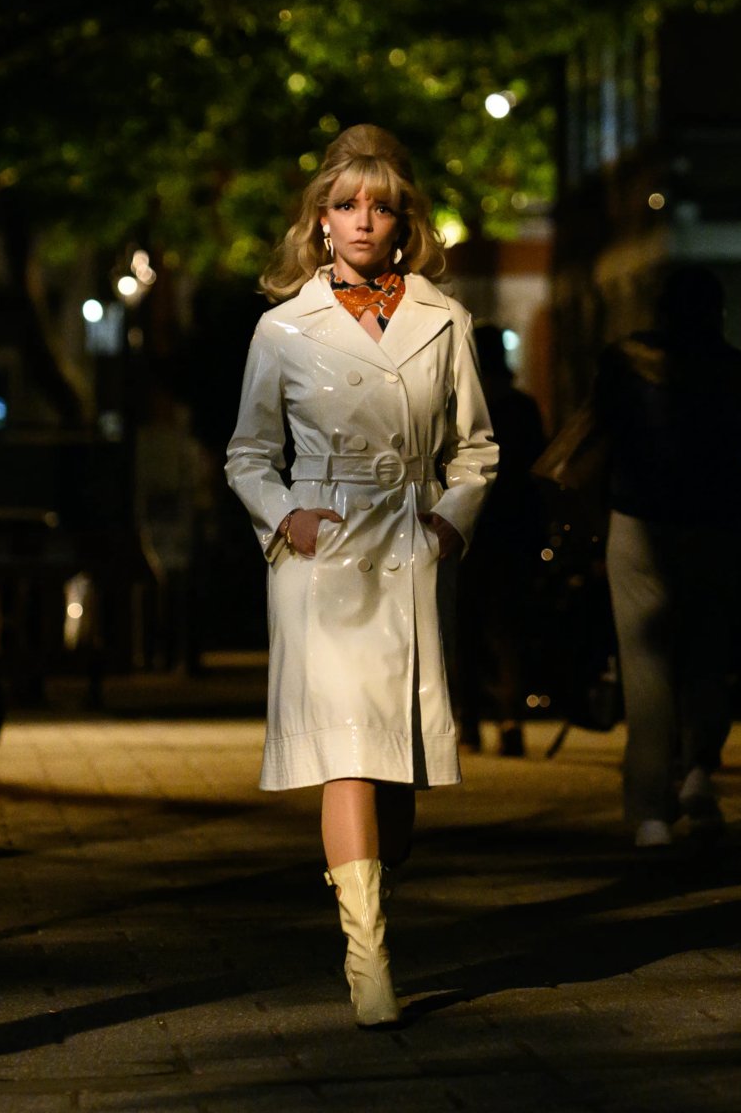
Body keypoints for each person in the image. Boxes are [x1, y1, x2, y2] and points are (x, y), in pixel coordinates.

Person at [224, 124, 497, 1028]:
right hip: (324, 555)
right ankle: (368, 960)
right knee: (347, 755)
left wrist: (452, 525)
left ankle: (379, 879)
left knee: (397, 776)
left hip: (411, 548)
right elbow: (248, 454)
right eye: (346, 206)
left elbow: (478, 449)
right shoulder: (282, 328)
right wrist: (287, 517)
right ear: (320, 222)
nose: (364, 221)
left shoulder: (444, 319)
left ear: (404, 220)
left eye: (381, 206)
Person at [595, 264, 741, 848]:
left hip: (638, 520)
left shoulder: (624, 361)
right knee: (707, 658)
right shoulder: (739, 371)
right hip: (716, 524)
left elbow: (600, 431)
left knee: (646, 670)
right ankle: (698, 772)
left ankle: (649, 811)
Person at [454, 325, 547, 757]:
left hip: (466, 530)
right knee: (507, 630)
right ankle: (511, 720)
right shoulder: (521, 409)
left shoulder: (459, 408)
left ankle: (468, 721)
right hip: (512, 532)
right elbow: (537, 475)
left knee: (464, 628)